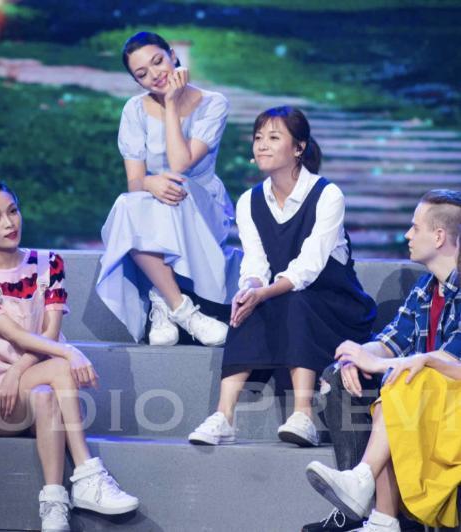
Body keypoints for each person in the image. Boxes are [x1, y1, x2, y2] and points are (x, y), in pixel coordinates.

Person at [188, 106, 376, 446]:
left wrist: (265, 292)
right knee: (247, 302)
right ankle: (223, 416)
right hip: (284, 297)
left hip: (335, 305)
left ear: (298, 147)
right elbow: (256, 264)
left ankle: (303, 415)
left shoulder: (327, 194)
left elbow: (309, 266)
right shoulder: (250, 201)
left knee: (294, 297)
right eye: (258, 137)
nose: (262, 145)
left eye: (274, 138)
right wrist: (251, 287)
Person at [0, 178, 139, 532]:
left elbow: (50, 334)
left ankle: (53, 504)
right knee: (58, 369)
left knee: (45, 393)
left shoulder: (48, 262)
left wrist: (26, 367)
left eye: (13, 211)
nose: (9, 223)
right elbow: (15, 335)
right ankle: (87, 474)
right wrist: (66, 353)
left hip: (39, 378)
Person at [305, 189, 461, 531]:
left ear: (438, 236)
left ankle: (374, 502)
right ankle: (356, 501)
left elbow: (448, 360)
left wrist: (380, 365)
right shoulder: (425, 289)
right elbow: (390, 342)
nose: (407, 235)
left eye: (414, 227)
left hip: (450, 406)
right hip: (419, 400)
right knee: (339, 375)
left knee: (405, 378)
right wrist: (358, 357)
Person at [96, 31, 241, 345]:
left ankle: (161, 298)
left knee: (175, 185)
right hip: (157, 202)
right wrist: (149, 181)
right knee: (127, 204)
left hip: (202, 205)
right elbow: (135, 181)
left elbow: (180, 163)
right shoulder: (134, 110)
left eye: (158, 61)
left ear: (173, 56)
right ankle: (182, 310)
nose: (155, 74)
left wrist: (171, 105)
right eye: (142, 74)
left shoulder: (213, 103)